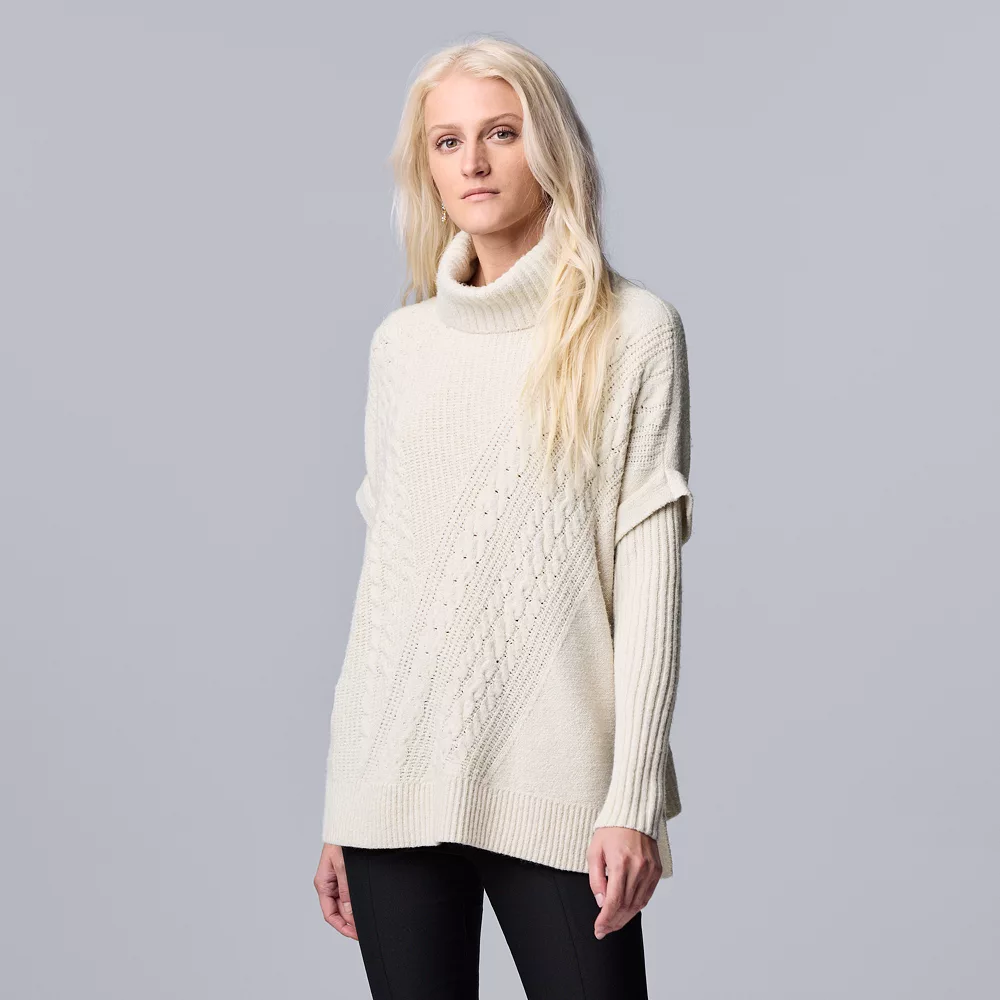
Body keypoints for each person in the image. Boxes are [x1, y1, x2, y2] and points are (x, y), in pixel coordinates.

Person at [313, 35, 694, 1000]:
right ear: (427, 168)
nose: (473, 163)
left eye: (501, 133)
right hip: (391, 785)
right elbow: (385, 588)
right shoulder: (402, 347)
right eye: (447, 142)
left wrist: (633, 799)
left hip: (561, 793)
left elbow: (650, 584)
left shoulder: (633, 331)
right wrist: (343, 802)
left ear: (549, 147)